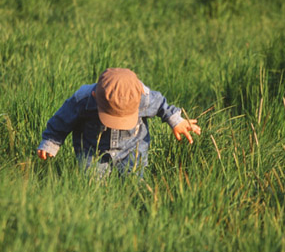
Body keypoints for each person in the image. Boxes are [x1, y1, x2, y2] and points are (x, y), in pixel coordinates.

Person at [37, 67, 201, 176]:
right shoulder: (84, 98)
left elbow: (161, 105)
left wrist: (176, 121)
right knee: (92, 185)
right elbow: (62, 119)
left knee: (133, 182)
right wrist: (51, 141)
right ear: (96, 97)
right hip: (93, 150)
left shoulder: (144, 96)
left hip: (132, 147)